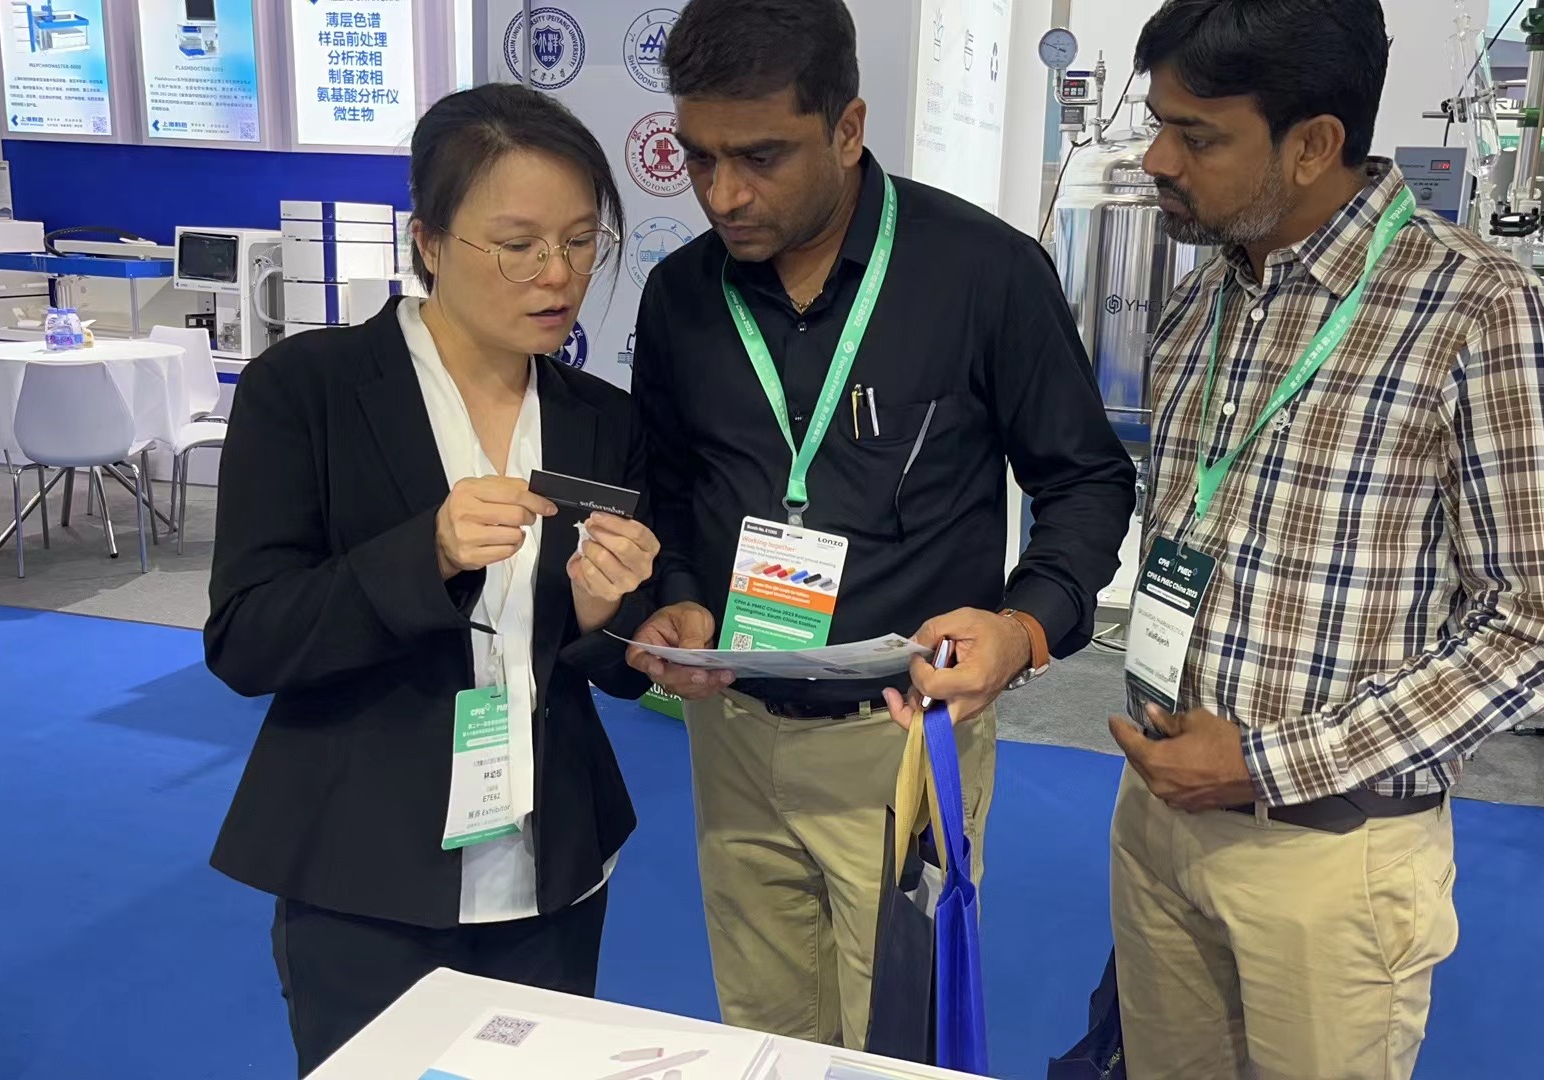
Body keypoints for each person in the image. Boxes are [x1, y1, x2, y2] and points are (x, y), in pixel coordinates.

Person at [1108, 2, 1544, 1078]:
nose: (1158, 162)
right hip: (1157, 819)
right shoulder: (1203, 305)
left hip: (1330, 855)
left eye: (1197, 136)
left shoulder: (1478, 309)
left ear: (1313, 144)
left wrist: (1267, 762)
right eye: (1159, 125)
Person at [628, 0, 1136, 1049]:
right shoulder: (681, 294)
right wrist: (676, 595)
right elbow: (669, 484)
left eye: (761, 157)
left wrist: (1025, 629)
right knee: (763, 1037)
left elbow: (1086, 480)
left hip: (904, 738)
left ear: (848, 129)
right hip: (732, 735)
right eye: (699, 157)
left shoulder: (982, 274)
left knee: (901, 1042)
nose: (723, 194)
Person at [203, 84, 662, 1075]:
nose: (558, 274)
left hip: (552, 866)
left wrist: (599, 615)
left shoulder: (600, 417)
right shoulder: (309, 390)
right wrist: (430, 554)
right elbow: (247, 639)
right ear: (430, 242)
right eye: (518, 244)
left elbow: (610, 667)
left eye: (582, 241)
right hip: (364, 868)